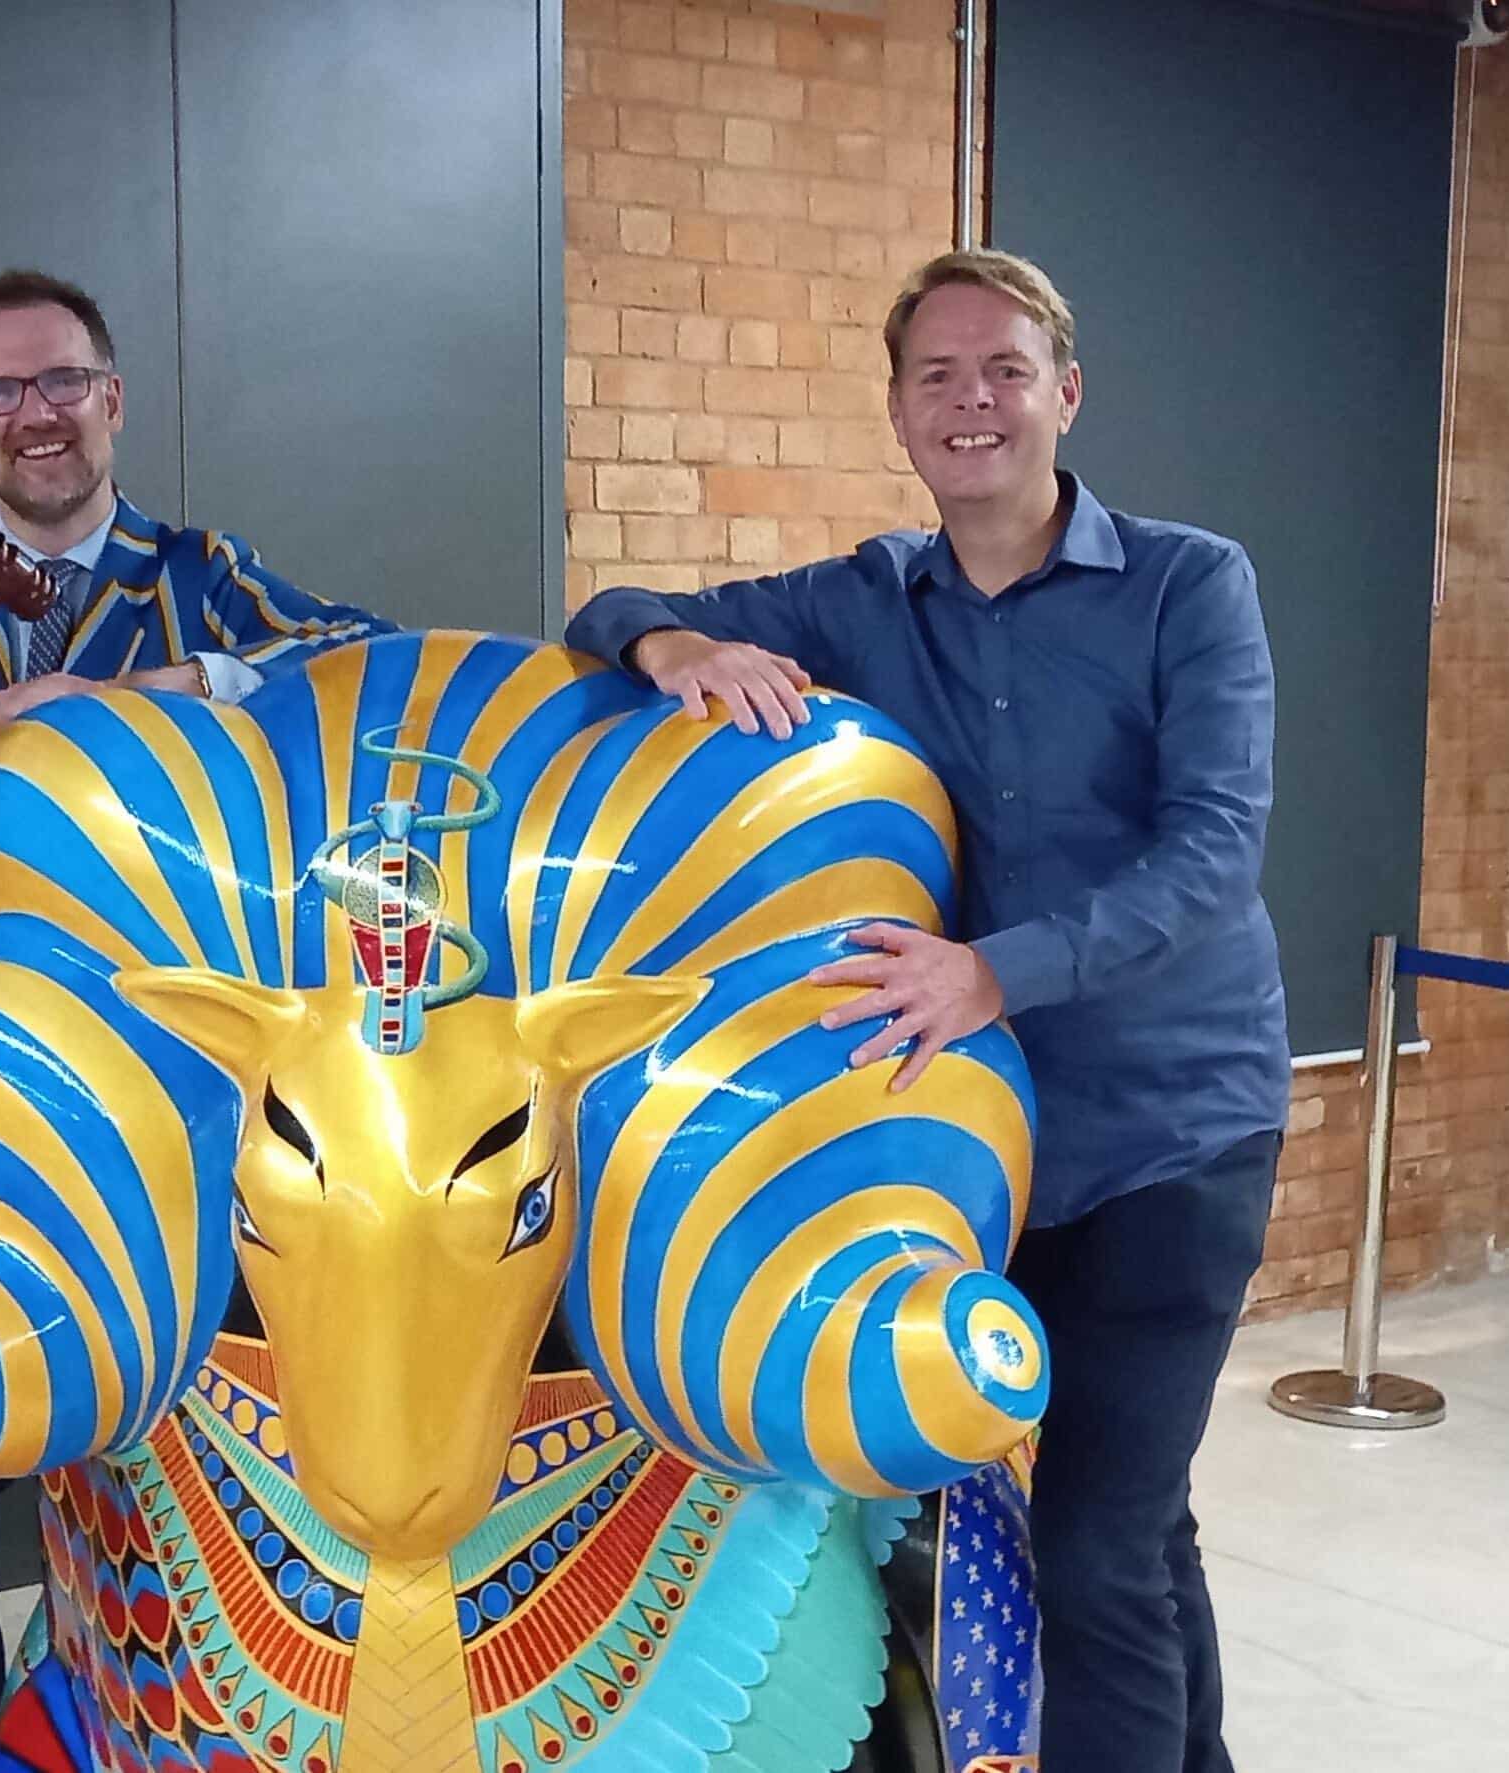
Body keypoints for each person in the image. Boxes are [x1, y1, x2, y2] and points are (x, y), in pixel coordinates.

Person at [565, 249, 1289, 1773]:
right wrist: (674, 645)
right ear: (897, 412)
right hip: (993, 1132)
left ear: (1063, 393)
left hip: (1175, 1124)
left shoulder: (1188, 580)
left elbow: (1215, 851)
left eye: (1003, 369)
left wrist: (988, 971)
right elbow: (614, 603)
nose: (972, 401)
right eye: (936, 375)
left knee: (1094, 1544)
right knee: (1120, 1511)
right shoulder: (858, 597)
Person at [0, 268, 394, 1773]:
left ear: (111, 398)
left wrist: (168, 689)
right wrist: (22, 787)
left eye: (59, 381)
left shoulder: (203, 576)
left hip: (140, 1087)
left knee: (72, 1437)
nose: (33, 416)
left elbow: (369, 667)